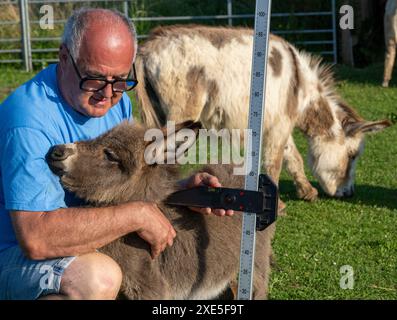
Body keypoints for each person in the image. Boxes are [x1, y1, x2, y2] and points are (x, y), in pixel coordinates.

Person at [0, 8, 233, 300]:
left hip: (81, 235)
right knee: (97, 277)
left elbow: (121, 179)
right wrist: (136, 214)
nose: (108, 94)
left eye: (121, 81)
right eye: (95, 78)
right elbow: (36, 239)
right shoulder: (28, 121)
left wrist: (181, 191)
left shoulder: (112, 101)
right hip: (15, 256)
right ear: (64, 58)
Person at [383, 0, 397, 87]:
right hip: (392, 11)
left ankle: (385, 80)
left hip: (390, 10)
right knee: (391, 48)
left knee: (390, 49)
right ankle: (386, 79)